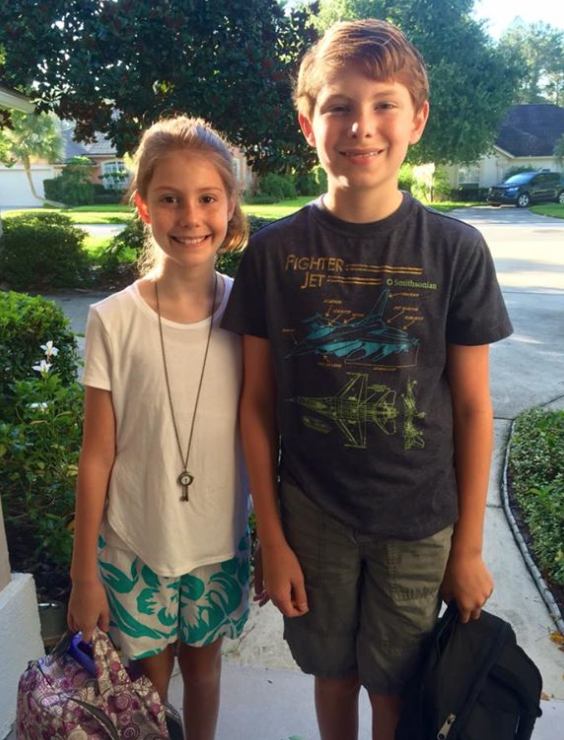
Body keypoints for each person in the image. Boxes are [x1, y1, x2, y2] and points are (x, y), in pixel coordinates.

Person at [222, 19, 513, 740]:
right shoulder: (272, 254)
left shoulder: (455, 250)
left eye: (385, 104)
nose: (362, 125)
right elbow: (255, 406)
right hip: (312, 515)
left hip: (420, 521)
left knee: (395, 686)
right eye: (339, 106)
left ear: (417, 119)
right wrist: (271, 539)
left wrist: (468, 548)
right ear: (307, 122)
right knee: (332, 674)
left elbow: (473, 409)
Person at [67, 116, 251, 740]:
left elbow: (266, 431)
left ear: (229, 205)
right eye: (170, 198)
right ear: (144, 205)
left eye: (207, 198)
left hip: (216, 544)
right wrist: (83, 575)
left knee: (204, 673)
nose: (190, 216)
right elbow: (96, 455)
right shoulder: (112, 320)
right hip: (134, 545)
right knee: (146, 690)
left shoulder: (249, 314)